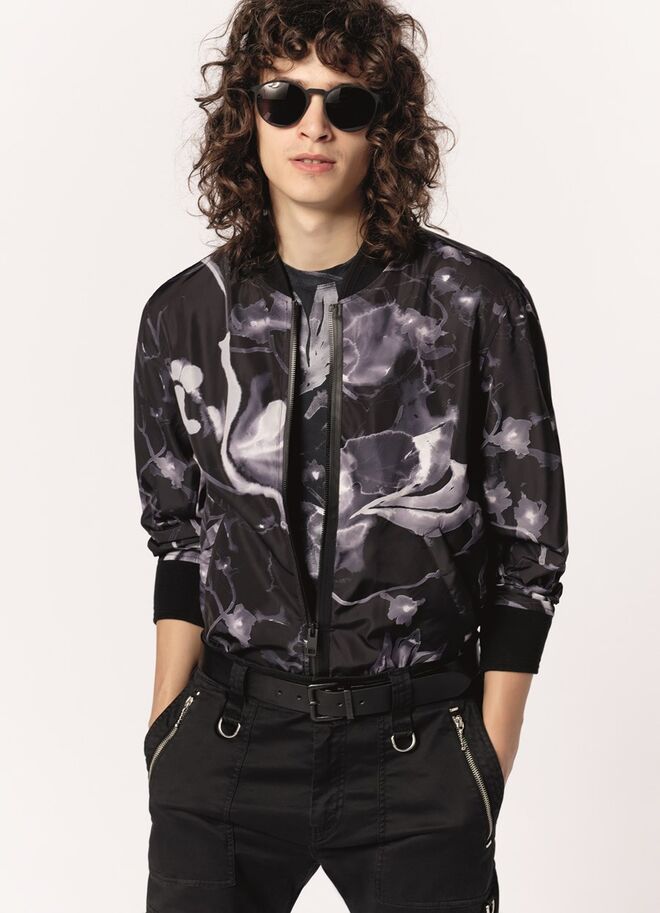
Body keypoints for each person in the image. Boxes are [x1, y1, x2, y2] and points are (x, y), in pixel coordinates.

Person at [132, 2, 569, 911]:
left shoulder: (477, 305)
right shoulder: (185, 316)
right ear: (247, 117)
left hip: (417, 752)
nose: (314, 125)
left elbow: (529, 556)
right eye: (284, 98)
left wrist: (483, 761)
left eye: (348, 102)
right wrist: (167, 729)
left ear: (386, 127)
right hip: (227, 743)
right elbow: (179, 536)